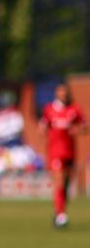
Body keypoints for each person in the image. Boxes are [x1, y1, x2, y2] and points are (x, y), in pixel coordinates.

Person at [39, 83, 87, 228]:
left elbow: (86, 127)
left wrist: (77, 130)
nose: (63, 95)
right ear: (56, 94)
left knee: (66, 185)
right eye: (60, 92)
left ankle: (59, 211)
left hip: (70, 152)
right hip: (55, 152)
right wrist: (43, 133)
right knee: (59, 181)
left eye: (65, 92)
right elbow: (42, 127)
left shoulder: (74, 110)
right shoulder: (49, 110)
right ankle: (61, 215)